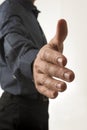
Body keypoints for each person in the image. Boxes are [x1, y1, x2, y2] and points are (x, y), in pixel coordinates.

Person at [0, 0, 75, 130]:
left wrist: (49, 58)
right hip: (18, 113)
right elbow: (14, 44)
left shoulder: (28, 12)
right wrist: (34, 61)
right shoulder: (10, 8)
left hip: (37, 109)